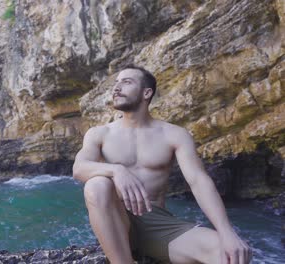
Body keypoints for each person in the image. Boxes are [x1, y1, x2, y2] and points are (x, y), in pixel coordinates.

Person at [72, 65, 252, 264]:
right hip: (117, 223)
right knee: (97, 185)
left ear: (146, 93)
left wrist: (226, 232)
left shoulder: (174, 135)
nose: (116, 88)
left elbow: (199, 181)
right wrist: (116, 170)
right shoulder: (100, 133)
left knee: (232, 254)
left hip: (159, 224)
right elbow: (79, 168)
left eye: (126, 82)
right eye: (116, 83)